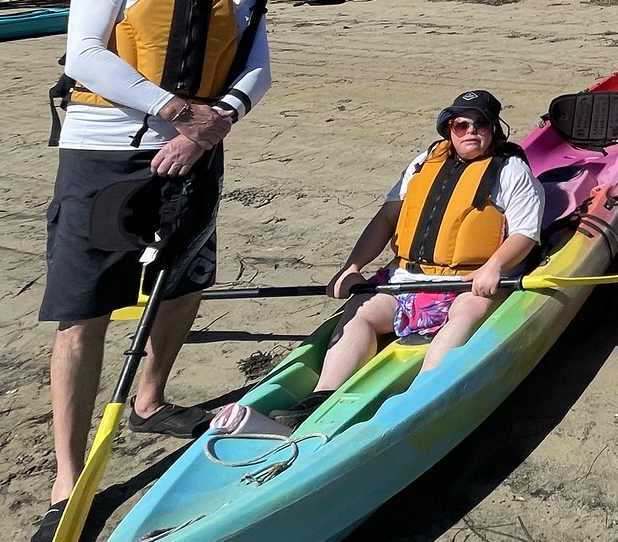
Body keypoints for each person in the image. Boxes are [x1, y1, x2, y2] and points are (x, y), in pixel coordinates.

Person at [31, 0, 270, 542]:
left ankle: (150, 402)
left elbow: (257, 70)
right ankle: (67, 479)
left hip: (195, 155)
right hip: (105, 155)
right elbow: (83, 55)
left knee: (186, 282)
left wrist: (216, 119)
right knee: (85, 312)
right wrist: (173, 111)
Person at [220, 92, 542, 429]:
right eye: (462, 124)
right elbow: (387, 218)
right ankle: (322, 396)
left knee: (468, 311)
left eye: (482, 124)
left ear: (495, 129)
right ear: (449, 128)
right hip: (407, 277)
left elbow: (525, 234)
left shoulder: (511, 171)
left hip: (466, 282)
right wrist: (353, 265)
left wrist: (493, 267)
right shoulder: (423, 162)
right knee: (361, 310)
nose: (471, 131)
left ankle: (423, 396)